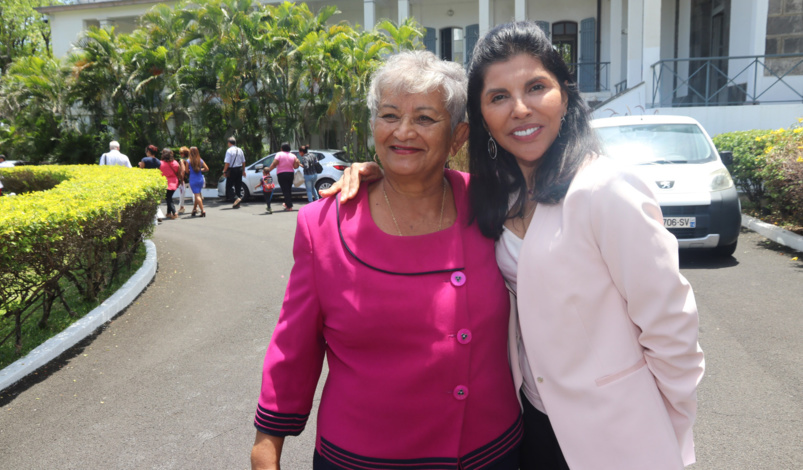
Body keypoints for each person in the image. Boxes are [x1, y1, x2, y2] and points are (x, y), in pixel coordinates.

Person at [326, 21, 704, 470]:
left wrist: (667, 437)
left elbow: (673, 331)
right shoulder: (494, 195)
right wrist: (377, 172)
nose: (520, 109)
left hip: (618, 434)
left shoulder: (605, 189)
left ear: (564, 94)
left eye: (536, 87)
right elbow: (422, 183)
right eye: (499, 96)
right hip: (534, 423)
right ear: (481, 116)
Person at [250, 51, 522, 470]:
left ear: (458, 136)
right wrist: (267, 445)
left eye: (426, 119)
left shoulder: (492, 203)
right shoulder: (324, 223)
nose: (404, 132)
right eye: (389, 115)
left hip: (488, 452)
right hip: (361, 458)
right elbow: (294, 349)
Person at [265, 142, 299, 211]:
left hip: (282, 174)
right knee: (288, 189)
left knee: (285, 190)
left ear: (281, 148)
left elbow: (274, 164)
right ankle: (287, 204)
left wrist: (268, 171)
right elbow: (295, 166)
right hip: (290, 174)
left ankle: (289, 206)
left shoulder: (279, 154)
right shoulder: (293, 155)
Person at [223, 137, 247, 208]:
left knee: (229, 187)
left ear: (229, 143)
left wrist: (224, 171)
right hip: (239, 169)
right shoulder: (240, 150)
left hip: (232, 170)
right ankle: (237, 204)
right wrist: (243, 170)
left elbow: (227, 163)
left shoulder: (229, 151)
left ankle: (236, 198)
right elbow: (243, 161)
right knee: (238, 186)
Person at [159, 148, 182, 220]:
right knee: (169, 197)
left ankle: (174, 212)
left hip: (165, 182)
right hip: (174, 182)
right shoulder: (175, 163)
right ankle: (168, 213)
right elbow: (179, 173)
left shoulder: (160, 163)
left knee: (168, 198)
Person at [187, 146, 209, 217]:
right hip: (200, 179)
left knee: (197, 195)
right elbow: (206, 168)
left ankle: (203, 210)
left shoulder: (188, 161)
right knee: (198, 194)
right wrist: (200, 170)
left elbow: (187, 171)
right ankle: (194, 209)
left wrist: (191, 170)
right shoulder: (200, 160)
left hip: (193, 179)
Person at [176, 147, 191, 215]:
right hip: (192, 178)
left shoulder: (182, 160)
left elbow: (183, 170)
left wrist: (181, 179)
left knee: (182, 194)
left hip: (184, 179)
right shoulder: (191, 159)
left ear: (183, 154)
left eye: (181, 153)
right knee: (194, 193)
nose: (180, 154)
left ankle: (182, 207)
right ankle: (196, 207)